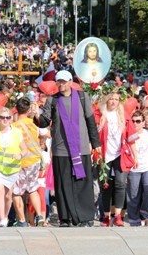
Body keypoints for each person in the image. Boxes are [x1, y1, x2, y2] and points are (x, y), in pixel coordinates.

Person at [35, 70, 100, 227]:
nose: (61, 84)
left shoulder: (83, 97)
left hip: (81, 148)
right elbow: (44, 122)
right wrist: (36, 116)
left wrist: (96, 144)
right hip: (61, 149)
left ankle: (85, 218)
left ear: (71, 82)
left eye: (64, 81)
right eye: (59, 82)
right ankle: (65, 218)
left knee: (82, 184)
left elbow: (91, 121)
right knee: (63, 184)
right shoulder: (53, 100)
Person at [97, 91, 129, 227]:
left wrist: (135, 155)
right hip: (105, 154)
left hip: (120, 153)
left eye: (116, 99)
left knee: (121, 183)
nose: (114, 102)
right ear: (106, 100)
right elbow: (94, 132)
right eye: (111, 99)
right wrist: (101, 124)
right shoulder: (100, 115)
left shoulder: (123, 115)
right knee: (105, 185)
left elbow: (130, 135)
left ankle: (118, 216)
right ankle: (105, 215)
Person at [12, 97, 45, 227]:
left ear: (16, 109)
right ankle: (40, 216)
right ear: (28, 110)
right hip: (34, 160)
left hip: (19, 162)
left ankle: (21, 220)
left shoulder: (13, 127)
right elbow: (46, 133)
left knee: (16, 192)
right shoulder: (34, 125)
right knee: (33, 189)